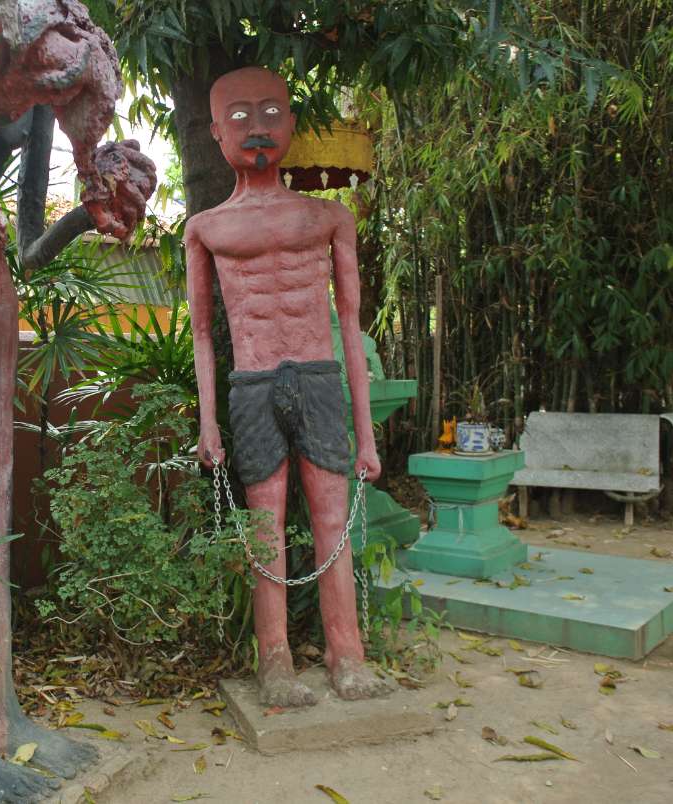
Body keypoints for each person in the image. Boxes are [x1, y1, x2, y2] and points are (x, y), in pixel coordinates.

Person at [185, 66, 393, 706]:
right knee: (264, 529)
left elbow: (350, 326)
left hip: (318, 378)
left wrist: (366, 435)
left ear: (293, 124)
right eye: (239, 116)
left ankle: (347, 655)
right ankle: (274, 662)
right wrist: (208, 422)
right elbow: (201, 333)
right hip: (252, 385)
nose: (257, 128)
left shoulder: (328, 218)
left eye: (271, 112)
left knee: (332, 521)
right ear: (216, 131)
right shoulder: (206, 228)